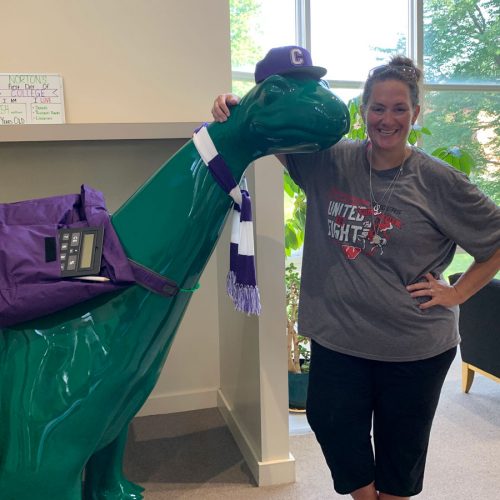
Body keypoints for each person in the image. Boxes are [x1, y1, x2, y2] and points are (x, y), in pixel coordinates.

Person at [211, 46, 500, 500]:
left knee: (398, 457)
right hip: (339, 339)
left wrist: (457, 293)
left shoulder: (439, 180)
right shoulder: (330, 160)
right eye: (378, 108)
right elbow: (267, 133)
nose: (388, 119)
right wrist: (236, 105)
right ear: (362, 110)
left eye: (400, 108)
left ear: (416, 113)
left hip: (413, 347)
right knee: (330, 424)